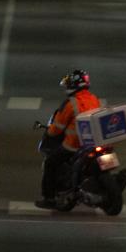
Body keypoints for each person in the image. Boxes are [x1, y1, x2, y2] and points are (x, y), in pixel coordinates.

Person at [36, 68, 101, 210]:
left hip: (74, 146)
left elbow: (56, 130)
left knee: (50, 163)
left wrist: (50, 130)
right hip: (94, 143)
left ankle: (49, 198)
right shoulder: (94, 99)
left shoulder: (70, 103)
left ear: (73, 86)